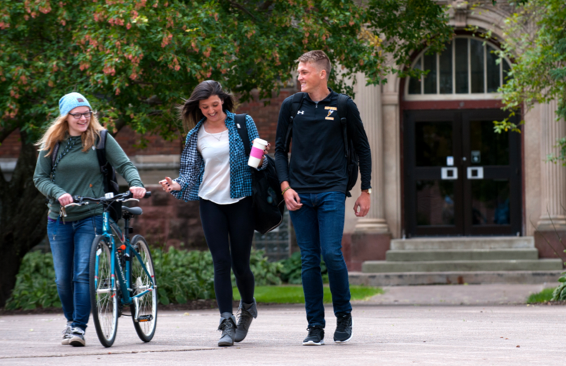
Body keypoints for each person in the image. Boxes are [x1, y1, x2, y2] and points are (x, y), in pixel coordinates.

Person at [159, 80, 269, 347]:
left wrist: (262, 158)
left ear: (223, 101)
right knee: (221, 262)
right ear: (198, 107)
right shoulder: (195, 135)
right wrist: (176, 184)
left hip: (241, 200)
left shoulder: (243, 123)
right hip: (210, 202)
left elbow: (260, 159)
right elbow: (189, 171)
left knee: (240, 264)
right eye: (205, 107)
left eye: (215, 105)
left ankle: (248, 306)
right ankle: (227, 322)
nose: (210, 110)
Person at [274, 50, 372, 346]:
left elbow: (363, 148)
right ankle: (315, 326)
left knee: (331, 252)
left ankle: (344, 314)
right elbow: (279, 150)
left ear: (322, 74)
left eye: (304, 72)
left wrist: (366, 190)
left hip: (332, 189)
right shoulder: (291, 106)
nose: (299, 76)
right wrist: (285, 187)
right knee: (309, 260)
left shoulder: (344, 105)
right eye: (299, 71)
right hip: (299, 193)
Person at [33, 92, 146, 347]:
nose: (84, 118)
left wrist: (136, 183)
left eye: (87, 113)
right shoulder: (53, 144)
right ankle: (71, 321)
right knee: (62, 278)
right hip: (58, 217)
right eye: (78, 114)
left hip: (92, 214)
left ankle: (78, 328)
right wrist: (59, 193)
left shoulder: (100, 138)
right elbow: (40, 178)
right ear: (66, 117)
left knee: (82, 273)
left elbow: (126, 165)